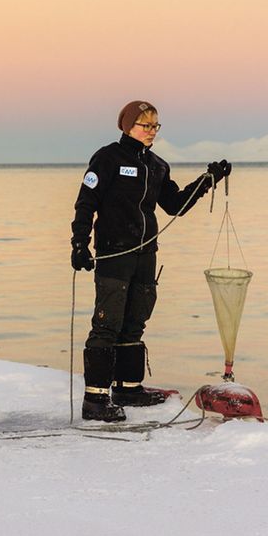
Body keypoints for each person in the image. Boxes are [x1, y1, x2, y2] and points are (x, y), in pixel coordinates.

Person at [70, 100, 231, 422]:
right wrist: (79, 243)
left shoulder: (157, 165)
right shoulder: (108, 159)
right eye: (145, 125)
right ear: (127, 126)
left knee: (136, 320)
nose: (151, 131)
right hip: (115, 252)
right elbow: (87, 202)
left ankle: (129, 388)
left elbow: (175, 205)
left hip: (146, 254)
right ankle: (95, 399)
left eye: (156, 125)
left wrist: (208, 179)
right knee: (107, 323)